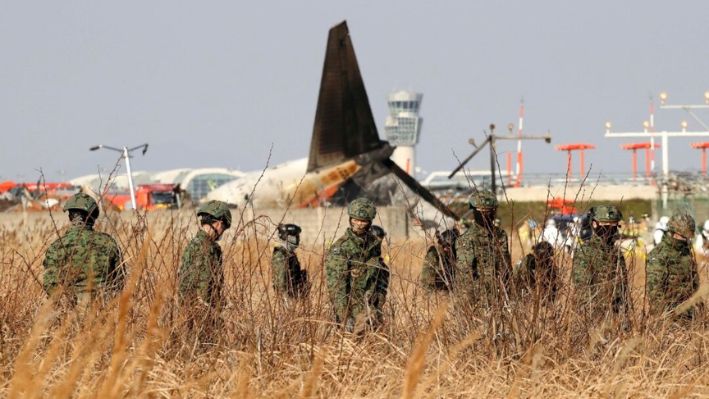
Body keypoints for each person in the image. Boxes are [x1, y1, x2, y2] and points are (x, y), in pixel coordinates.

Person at [43, 193, 124, 308]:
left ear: (70, 217)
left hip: (70, 316)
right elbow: (119, 281)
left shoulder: (57, 246)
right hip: (103, 311)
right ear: (94, 216)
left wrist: (66, 306)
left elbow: (50, 285)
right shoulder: (108, 242)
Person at [325, 198, 389, 333]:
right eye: (355, 220)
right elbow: (336, 287)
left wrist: (380, 300)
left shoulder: (373, 245)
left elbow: (380, 273)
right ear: (350, 219)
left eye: (363, 221)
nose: (359, 224)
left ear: (369, 222)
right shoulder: (341, 248)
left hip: (372, 309)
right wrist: (345, 317)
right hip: (352, 312)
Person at [178, 200, 232, 340]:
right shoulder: (208, 249)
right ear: (219, 224)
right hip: (202, 321)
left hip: (188, 315)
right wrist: (214, 320)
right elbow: (205, 290)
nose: (222, 233)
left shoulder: (193, 244)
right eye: (224, 228)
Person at [572, 205, 631, 321]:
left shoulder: (617, 254)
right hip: (594, 318)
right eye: (605, 225)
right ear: (594, 224)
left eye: (613, 226)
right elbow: (583, 291)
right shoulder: (585, 253)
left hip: (617, 317)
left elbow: (623, 289)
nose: (609, 229)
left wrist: (624, 317)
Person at [455, 190, 512, 305]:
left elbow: (506, 268)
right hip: (479, 302)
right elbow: (465, 280)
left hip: (502, 299)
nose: (486, 215)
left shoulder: (501, 235)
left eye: (489, 211)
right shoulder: (466, 240)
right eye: (482, 211)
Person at [646, 213, 702, 318]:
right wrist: (665, 319)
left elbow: (694, 285)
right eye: (684, 236)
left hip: (690, 316)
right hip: (670, 317)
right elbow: (655, 294)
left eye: (689, 237)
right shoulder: (659, 255)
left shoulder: (686, 253)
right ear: (674, 233)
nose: (687, 240)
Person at [271, 223, 309, 298]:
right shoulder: (280, 255)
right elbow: (281, 284)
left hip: (293, 297)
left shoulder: (289, 253)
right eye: (295, 237)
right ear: (288, 237)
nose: (298, 239)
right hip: (287, 299)